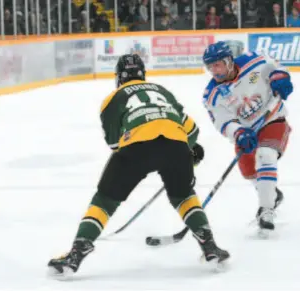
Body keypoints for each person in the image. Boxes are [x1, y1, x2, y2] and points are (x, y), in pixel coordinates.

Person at [47, 54, 230, 276]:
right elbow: (191, 131)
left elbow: (114, 143)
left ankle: (78, 251)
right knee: (183, 195)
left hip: (137, 147)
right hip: (176, 146)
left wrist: (143, 157)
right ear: (143, 74)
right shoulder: (162, 91)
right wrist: (188, 151)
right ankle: (209, 245)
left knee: (105, 199)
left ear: (119, 77)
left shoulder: (113, 97)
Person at [202, 41, 293, 237]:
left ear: (228, 60)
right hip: (247, 133)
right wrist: (238, 133)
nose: (214, 71)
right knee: (250, 173)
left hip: (272, 119)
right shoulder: (212, 95)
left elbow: (275, 66)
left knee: (266, 155)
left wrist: (280, 76)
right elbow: (223, 122)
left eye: (218, 65)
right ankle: (271, 194)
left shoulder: (254, 61)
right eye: (210, 67)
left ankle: (266, 210)